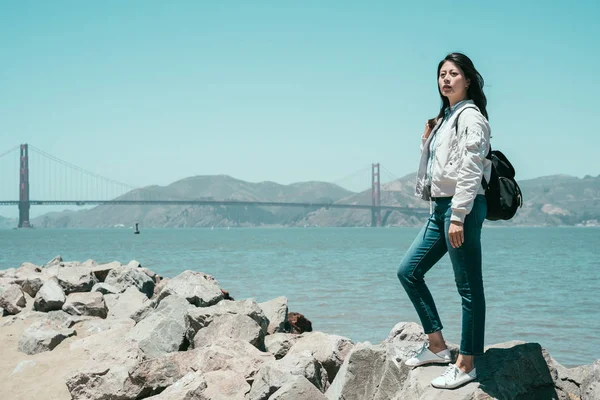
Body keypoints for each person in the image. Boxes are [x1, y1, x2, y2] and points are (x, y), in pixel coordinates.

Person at [397, 52, 492, 390]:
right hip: (441, 210)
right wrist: (428, 139)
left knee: (468, 288)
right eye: (442, 74)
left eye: (453, 74)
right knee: (408, 272)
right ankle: (437, 347)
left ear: (467, 80)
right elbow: (443, 166)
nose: (446, 79)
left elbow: (470, 169)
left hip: (458, 210)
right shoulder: (447, 117)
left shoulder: (471, 117)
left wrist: (458, 215)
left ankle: (467, 363)